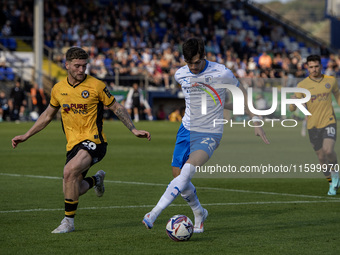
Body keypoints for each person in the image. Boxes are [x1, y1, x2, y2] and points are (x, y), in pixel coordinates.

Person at [12, 47, 151, 234]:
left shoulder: (97, 86)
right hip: (73, 144)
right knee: (72, 189)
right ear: (67, 65)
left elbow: (116, 107)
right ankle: (96, 180)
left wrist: (133, 129)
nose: (81, 70)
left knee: (69, 171)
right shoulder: (58, 89)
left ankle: (68, 222)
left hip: (95, 141)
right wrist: (26, 135)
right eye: (77, 66)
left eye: (84, 66)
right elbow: (46, 116)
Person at [142, 38, 269, 233]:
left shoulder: (222, 73)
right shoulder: (180, 74)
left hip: (210, 131)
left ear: (204, 56)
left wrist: (255, 119)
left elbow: (242, 95)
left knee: (186, 173)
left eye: (196, 62)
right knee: (179, 178)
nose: (193, 67)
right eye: (189, 63)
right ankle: (199, 213)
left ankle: (154, 213)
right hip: (186, 129)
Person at [289, 54, 340, 195]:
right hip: (312, 126)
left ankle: (336, 174)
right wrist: (292, 101)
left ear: (321, 66)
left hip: (329, 120)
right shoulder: (302, 86)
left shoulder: (331, 81)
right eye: (311, 67)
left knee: (328, 150)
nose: (314, 69)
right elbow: (292, 108)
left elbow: (337, 95)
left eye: (316, 66)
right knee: (322, 158)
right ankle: (331, 183)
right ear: (307, 68)